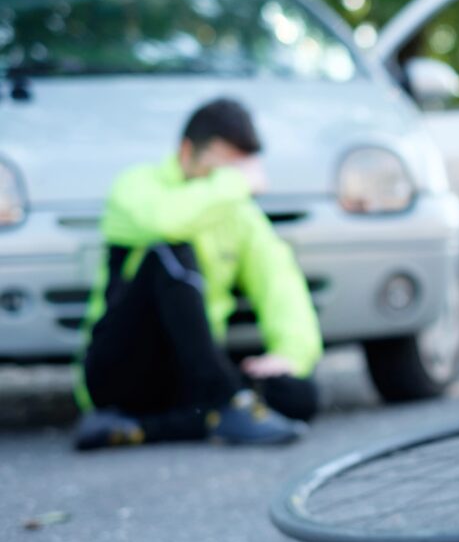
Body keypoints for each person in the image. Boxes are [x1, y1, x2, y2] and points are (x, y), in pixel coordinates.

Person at [73, 98, 323, 450]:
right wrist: (235, 184)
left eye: (237, 169)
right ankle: (225, 404)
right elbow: (165, 221)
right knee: (170, 248)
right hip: (120, 368)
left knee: (297, 395)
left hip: (191, 370)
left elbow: (279, 281)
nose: (228, 179)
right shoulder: (135, 186)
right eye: (221, 167)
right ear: (187, 150)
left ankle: (145, 428)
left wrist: (290, 354)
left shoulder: (235, 212)